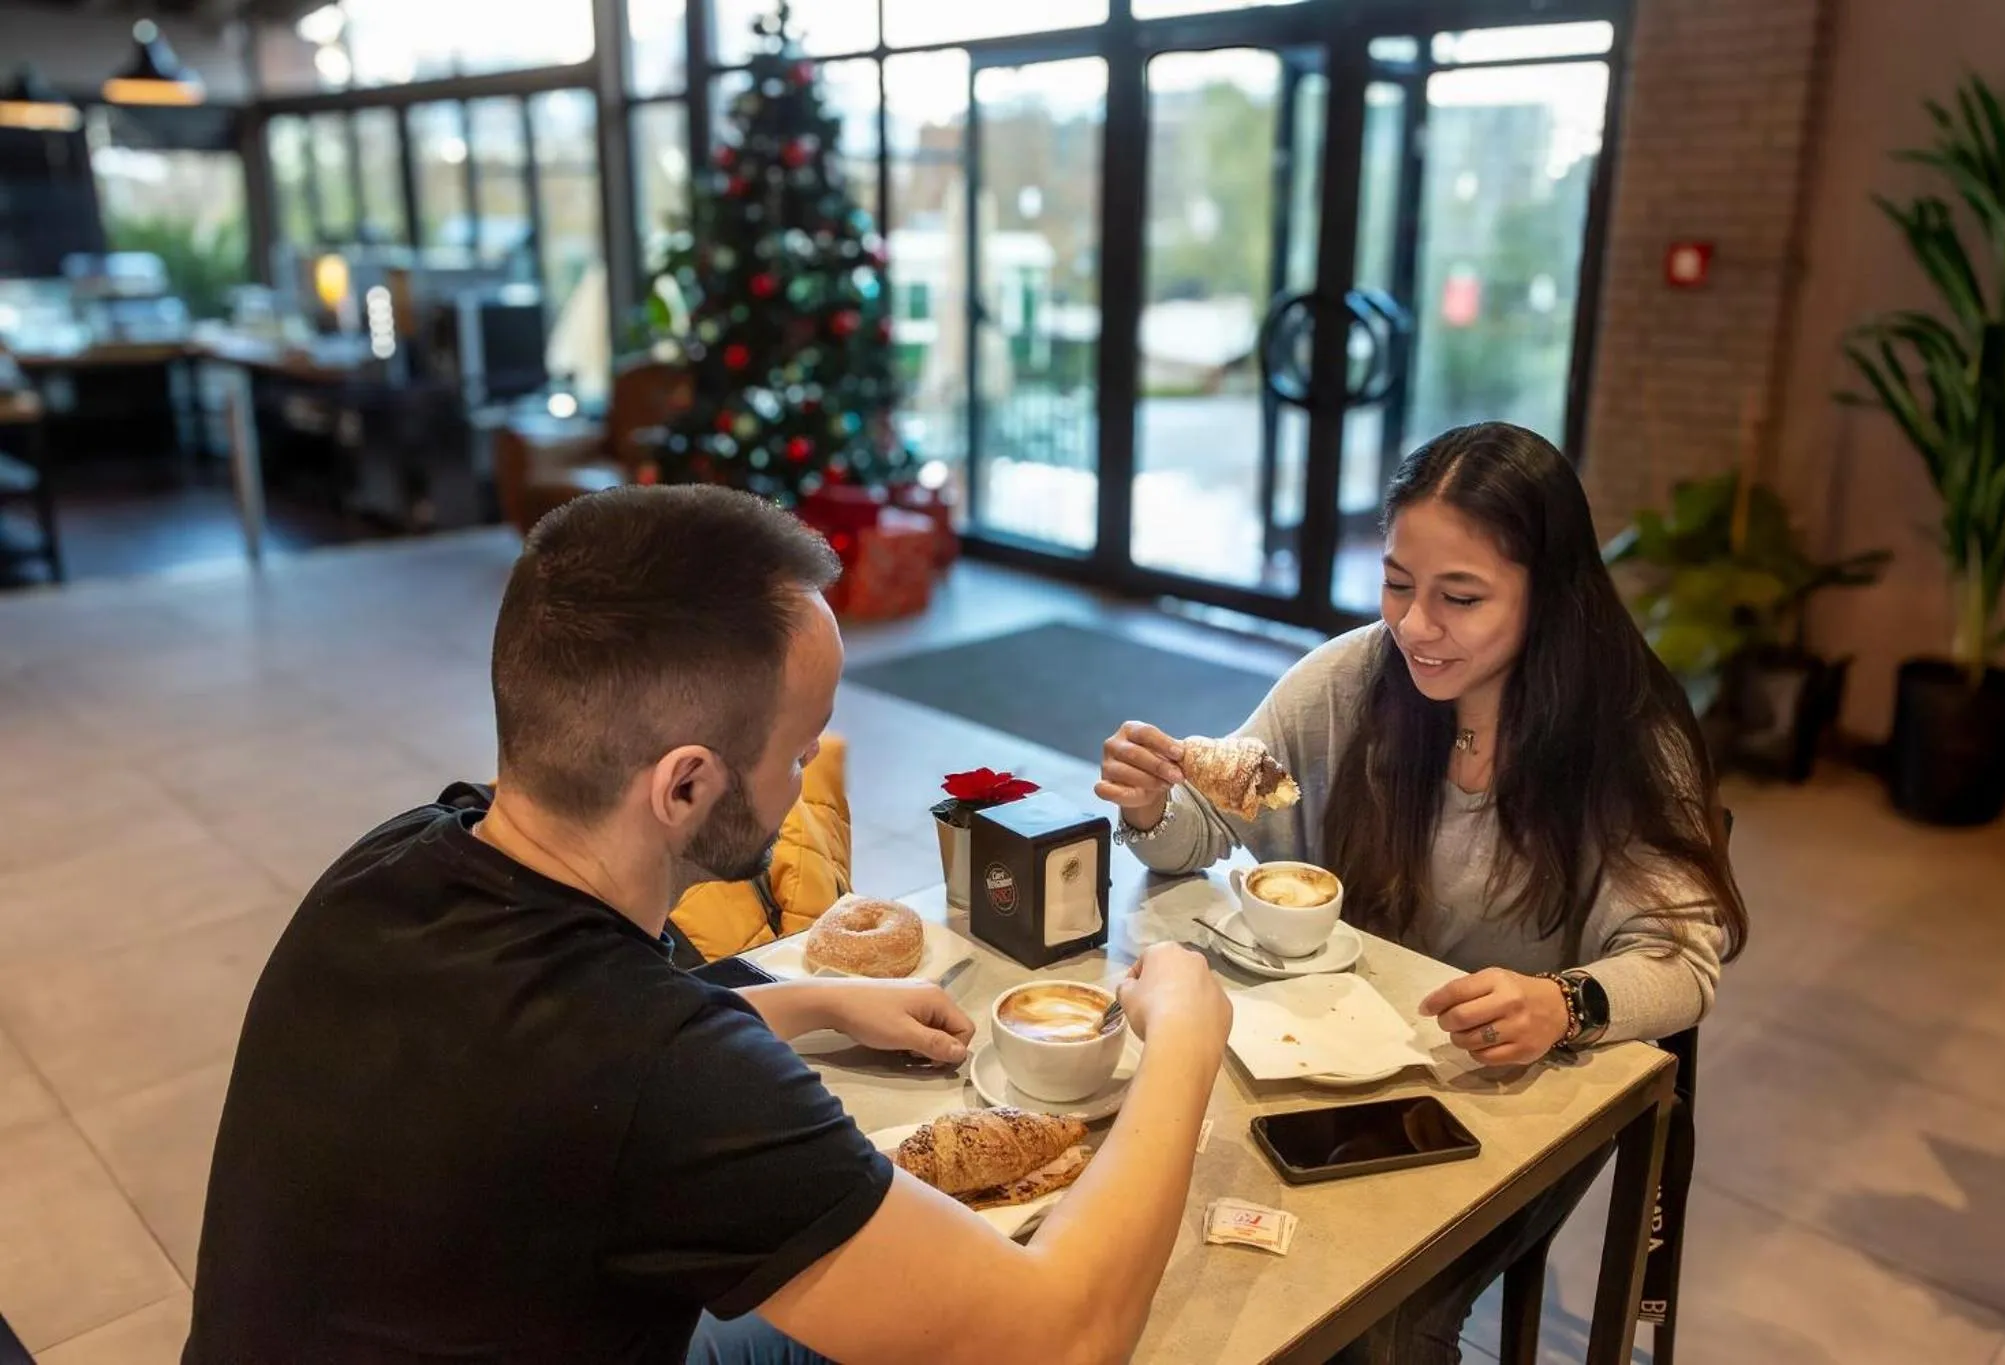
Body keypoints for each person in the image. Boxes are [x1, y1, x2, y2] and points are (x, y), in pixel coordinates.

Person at [185, 484, 1233, 1365]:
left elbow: (548, 1064)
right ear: (684, 786)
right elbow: (1063, 1334)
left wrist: (819, 1001)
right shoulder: (663, 1071)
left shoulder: (400, 858)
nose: (802, 778)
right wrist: (1184, 1035)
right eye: (797, 749)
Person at [1095, 422, 1746, 1364]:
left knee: (1382, 1329)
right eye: (1398, 582)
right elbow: (1217, 825)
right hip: (1344, 1059)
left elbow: (1682, 960)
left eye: (1462, 598)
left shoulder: (1625, 734)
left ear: (1551, 595)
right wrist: (1157, 803)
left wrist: (1564, 1000)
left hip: (1515, 1083)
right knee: (1188, 1231)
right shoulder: (1355, 680)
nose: (1414, 626)